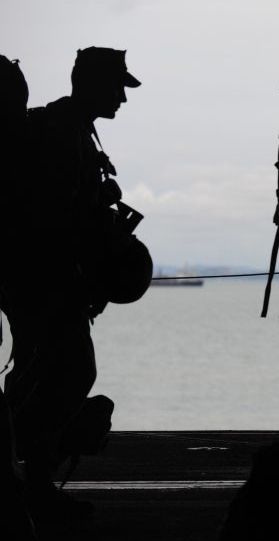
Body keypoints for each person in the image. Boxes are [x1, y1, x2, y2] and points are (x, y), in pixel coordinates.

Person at [0, 47, 141, 521]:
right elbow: (54, 217)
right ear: (91, 83)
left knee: (48, 377)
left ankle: (28, 482)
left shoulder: (75, 129)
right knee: (69, 374)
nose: (123, 96)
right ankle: (33, 486)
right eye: (117, 85)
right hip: (45, 281)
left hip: (46, 281)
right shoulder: (63, 133)